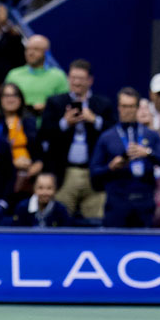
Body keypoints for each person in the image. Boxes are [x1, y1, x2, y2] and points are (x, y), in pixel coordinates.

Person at [38, 59, 114, 224]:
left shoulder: (102, 104)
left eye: (81, 78)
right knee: (61, 222)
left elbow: (114, 134)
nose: (77, 82)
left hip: (93, 174)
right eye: (73, 78)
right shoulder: (55, 103)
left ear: (90, 81)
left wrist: (95, 120)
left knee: (96, 221)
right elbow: (43, 134)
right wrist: (65, 122)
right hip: (65, 173)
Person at [90, 88, 160, 228]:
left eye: (131, 106)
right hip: (117, 203)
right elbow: (94, 173)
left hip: (144, 202)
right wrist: (110, 167)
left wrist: (148, 153)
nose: (127, 110)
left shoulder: (150, 136)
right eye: (124, 106)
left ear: (137, 108)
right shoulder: (107, 137)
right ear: (118, 108)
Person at [3, 35, 67, 114]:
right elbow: (3, 102)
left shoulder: (59, 76)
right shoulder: (13, 75)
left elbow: (64, 104)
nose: (30, 53)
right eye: (28, 49)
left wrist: (46, 107)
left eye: (36, 49)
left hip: (49, 124)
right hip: (17, 125)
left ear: (46, 53)